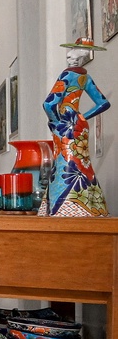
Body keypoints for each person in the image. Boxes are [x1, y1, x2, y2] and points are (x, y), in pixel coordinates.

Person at [43, 37, 109, 217]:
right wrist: (82, 116)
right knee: (81, 162)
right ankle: (90, 207)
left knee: (64, 161)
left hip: (65, 124)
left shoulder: (67, 75)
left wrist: (56, 121)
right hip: (79, 124)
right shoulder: (84, 76)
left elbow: (48, 103)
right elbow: (103, 103)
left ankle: (62, 209)